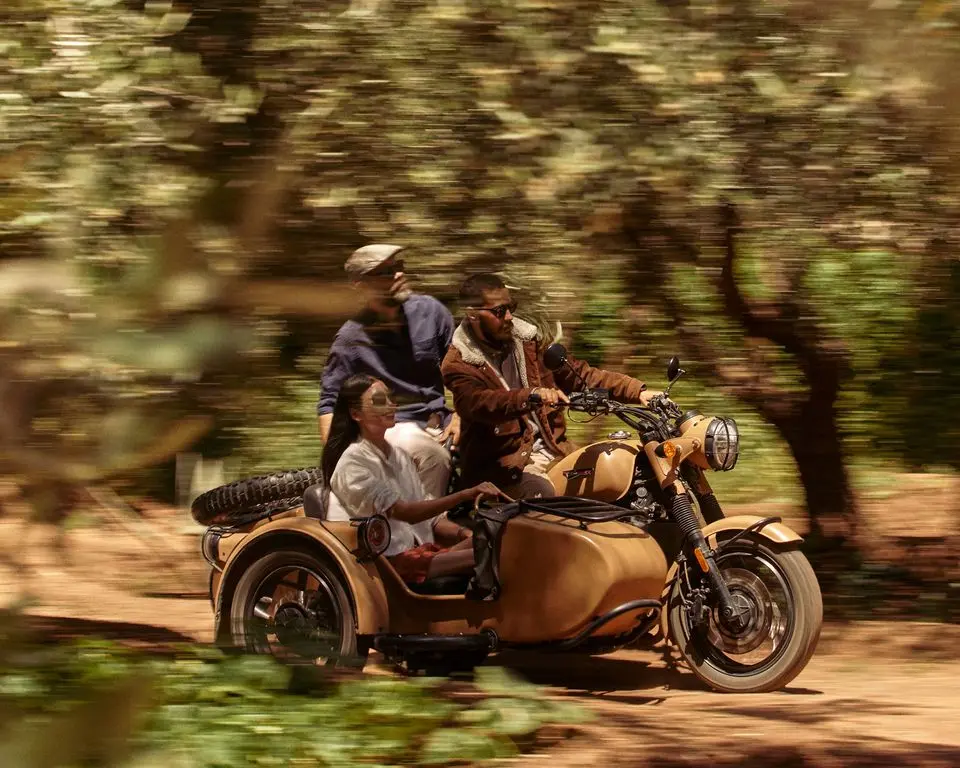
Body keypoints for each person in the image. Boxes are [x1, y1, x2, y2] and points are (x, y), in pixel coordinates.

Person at [441, 273, 661, 499]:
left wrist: (638, 392)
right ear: (472, 314)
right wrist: (531, 396)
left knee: (625, 471)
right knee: (545, 495)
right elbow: (480, 404)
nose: (508, 317)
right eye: (498, 311)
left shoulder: (528, 342)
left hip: (557, 452)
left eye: (511, 307)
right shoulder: (459, 364)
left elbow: (579, 375)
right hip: (505, 469)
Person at [322, 374, 505, 585]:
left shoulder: (399, 456)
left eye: (391, 398)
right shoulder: (352, 463)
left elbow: (430, 516)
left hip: (417, 554)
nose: (392, 405)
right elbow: (405, 513)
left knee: (500, 538)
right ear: (356, 414)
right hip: (382, 565)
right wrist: (465, 494)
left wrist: (463, 533)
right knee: (498, 553)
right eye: (380, 401)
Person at [317, 244, 460, 499]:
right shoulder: (350, 340)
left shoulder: (431, 311)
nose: (397, 275)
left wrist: (461, 414)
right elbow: (330, 403)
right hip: (393, 427)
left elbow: (461, 370)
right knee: (433, 457)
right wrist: (340, 462)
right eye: (385, 272)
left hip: (442, 420)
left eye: (398, 267)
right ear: (361, 285)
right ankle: (424, 532)